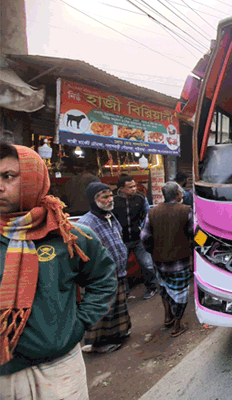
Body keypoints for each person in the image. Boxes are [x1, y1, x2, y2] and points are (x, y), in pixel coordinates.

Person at [0, 143, 116, 399]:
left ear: (33, 178)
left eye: (8, 176)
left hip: (58, 368)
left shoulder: (69, 236)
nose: (0, 185)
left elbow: (103, 278)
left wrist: (78, 324)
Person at [77, 183, 131, 354]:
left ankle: (120, 335)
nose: (110, 200)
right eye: (104, 197)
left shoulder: (110, 216)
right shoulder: (85, 224)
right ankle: (98, 344)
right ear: (93, 200)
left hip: (118, 272)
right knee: (104, 311)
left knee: (118, 306)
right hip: (101, 277)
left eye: (110, 195)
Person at [141, 182, 193, 337]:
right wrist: (200, 248)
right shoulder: (186, 211)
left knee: (164, 289)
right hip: (180, 261)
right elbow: (195, 234)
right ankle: (178, 325)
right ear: (177, 194)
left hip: (159, 262)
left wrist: (153, 251)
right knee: (181, 293)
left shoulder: (152, 212)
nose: (182, 194)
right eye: (181, 192)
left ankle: (167, 317)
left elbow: (144, 237)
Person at [113, 174, 158, 300]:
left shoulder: (141, 198)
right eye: (130, 187)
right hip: (121, 240)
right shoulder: (113, 200)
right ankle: (124, 293)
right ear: (122, 188)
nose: (134, 189)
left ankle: (152, 287)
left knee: (148, 265)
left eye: (134, 186)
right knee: (121, 268)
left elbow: (148, 214)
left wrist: (142, 228)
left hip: (138, 239)